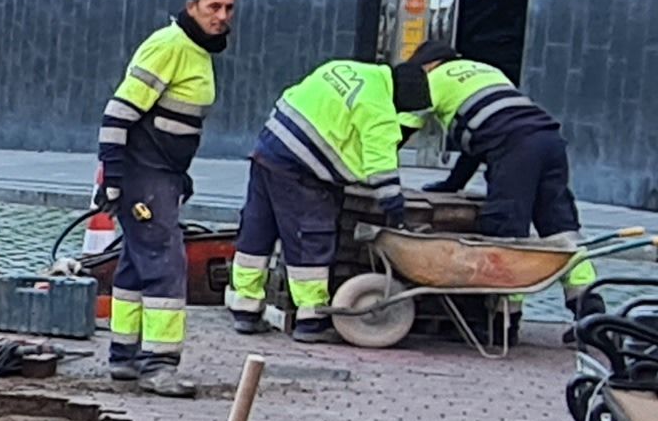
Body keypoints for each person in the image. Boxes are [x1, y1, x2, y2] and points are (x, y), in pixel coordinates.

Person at [93, 0, 234, 396]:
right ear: (192, 6)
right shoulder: (169, 46)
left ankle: (125, 356)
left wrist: (177, 172)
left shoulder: (195, 51)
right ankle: (159, 364)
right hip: (144, 176)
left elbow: (170, 122)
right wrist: (115, 177)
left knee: (137, 265)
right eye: (213, 7)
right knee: (166, 264)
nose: (222, 16)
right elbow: (118, 113)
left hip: (158, 175)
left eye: (228, 8)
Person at [230, 56, 429, 341]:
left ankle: (245, 310)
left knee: (257, 231)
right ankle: (311, 320)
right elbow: (381, 165)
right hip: (302, 170)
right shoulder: (380, 108)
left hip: (269, 148)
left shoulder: (344, 68)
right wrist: (395, 209)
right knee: (309, 236)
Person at [417, 52, 600, 318]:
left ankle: (506, 317)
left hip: (516, 147)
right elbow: (479, 140)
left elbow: (402, 129)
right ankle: (590, 310)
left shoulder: (433, 80)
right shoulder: (487, 69)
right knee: (561, 228)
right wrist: (451, 184)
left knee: (507, 230)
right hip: (548, 139)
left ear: (428, 65)